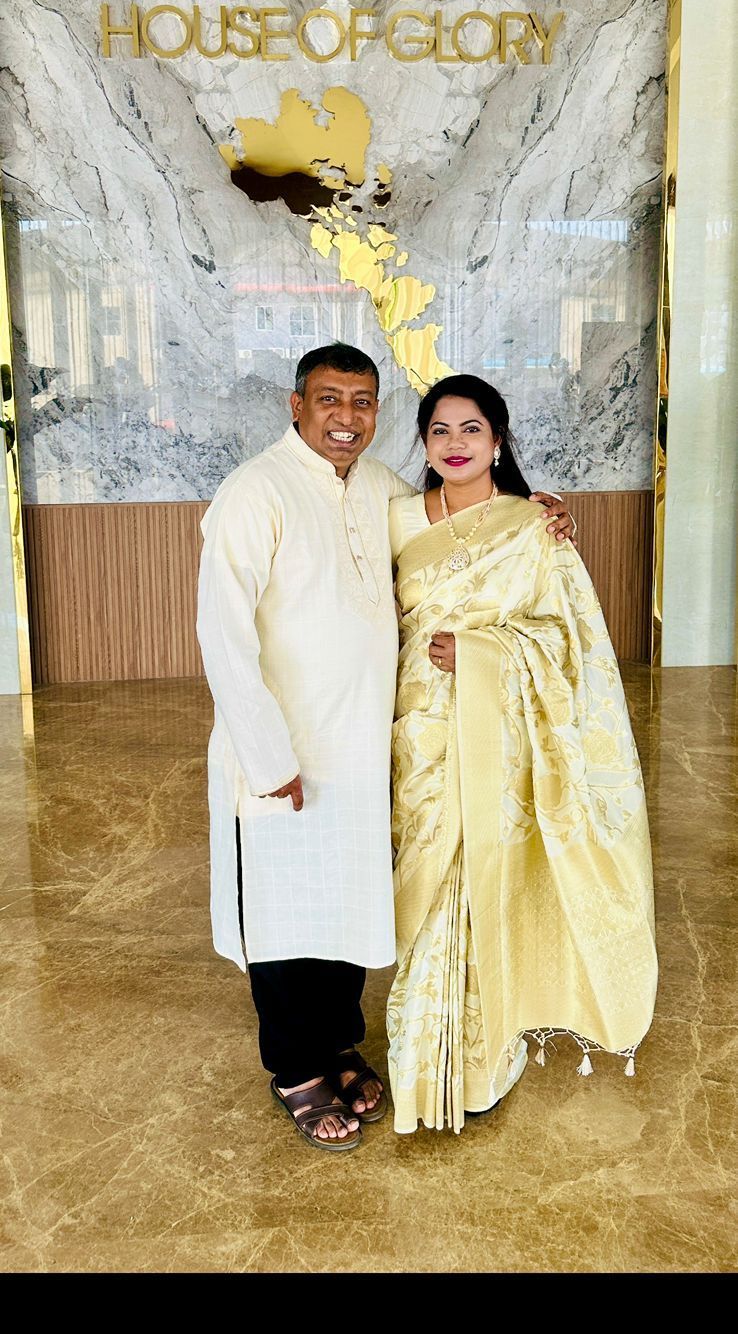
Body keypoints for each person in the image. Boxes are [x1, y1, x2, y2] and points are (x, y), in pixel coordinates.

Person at [196, 344, 576, 1152]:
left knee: (345, 901)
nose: (346, 416)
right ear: (295, 405)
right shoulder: (253, 493)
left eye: (363, 402)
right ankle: (296, 1069)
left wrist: (530, 509)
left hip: (366, 744)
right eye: (330, 399)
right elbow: (222, 636)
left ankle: (337, 1044)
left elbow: (456, 518)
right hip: (286, 747)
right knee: (285, 911)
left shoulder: (378, 489)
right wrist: (266, 757)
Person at [387, 375, 658, 1135]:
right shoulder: (398, 518)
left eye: (471, 429)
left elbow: (571, 641)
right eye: (440, 431)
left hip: (499, 730)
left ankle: (479, 1055)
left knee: (481, 876)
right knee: (427, 871)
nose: (455, 445)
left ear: (498, 439)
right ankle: (420, 1055)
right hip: (417, 731)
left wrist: (481, 651)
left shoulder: (533, 526)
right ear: (424, 441)